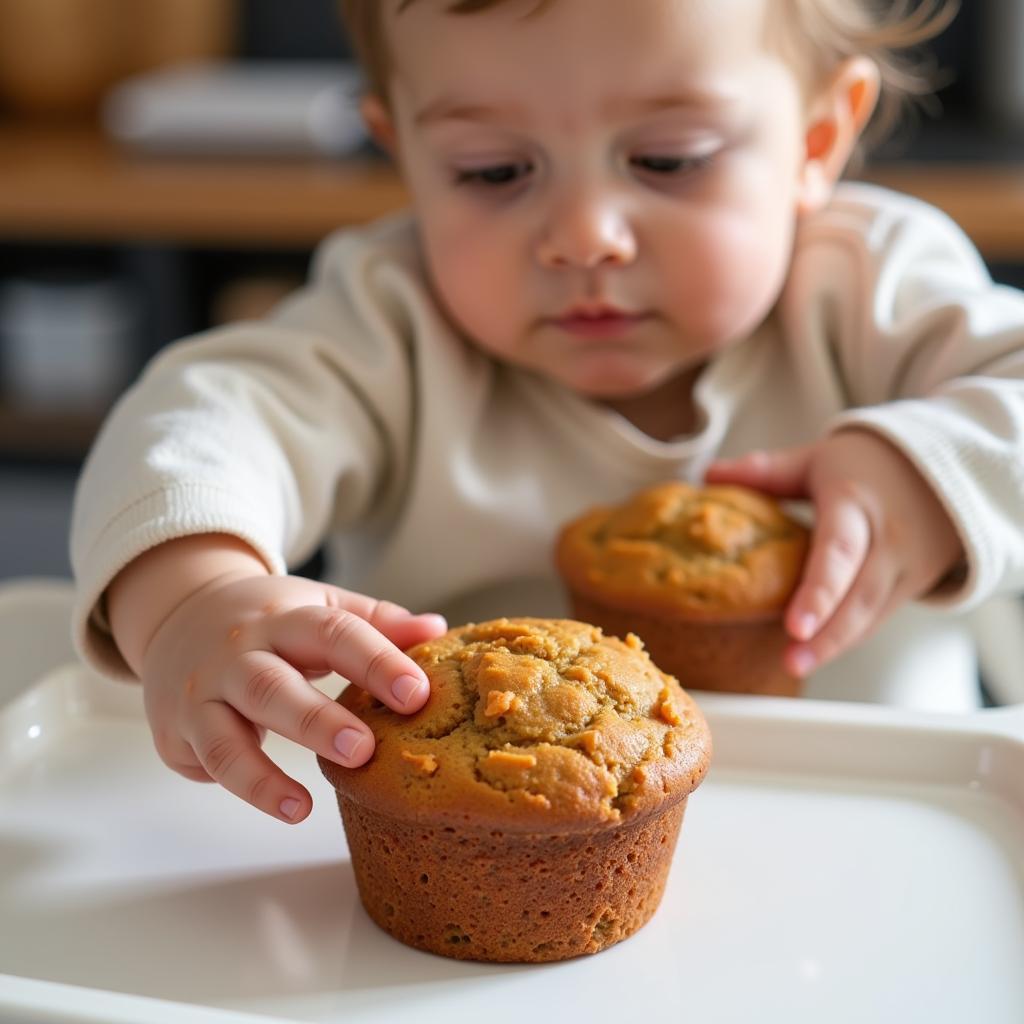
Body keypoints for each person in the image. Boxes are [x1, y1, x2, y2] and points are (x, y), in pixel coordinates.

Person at [71, 0, 1024, 826]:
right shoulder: (391, 321)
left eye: (666, 158)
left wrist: (927, 474)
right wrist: (191, 595)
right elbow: (203, 417)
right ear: (404, 151)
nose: (583, 237)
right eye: (492, 172)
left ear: (817, 138)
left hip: (894, 837)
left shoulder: (875, 284)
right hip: (493, 845)